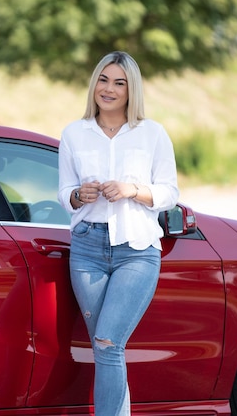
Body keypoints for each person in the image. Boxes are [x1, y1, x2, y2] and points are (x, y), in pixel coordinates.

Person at [57, 51, 179, 415]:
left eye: (119, 83)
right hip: (87, 250)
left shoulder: (152, 134)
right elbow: (64, 193)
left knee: (109, 343)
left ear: (131, 91)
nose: (108, 89)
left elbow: (170, 192)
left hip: (137, 250)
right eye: (103, 80)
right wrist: (80, 195)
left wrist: (133, 191)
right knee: (104, 348)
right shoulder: (74, 134)